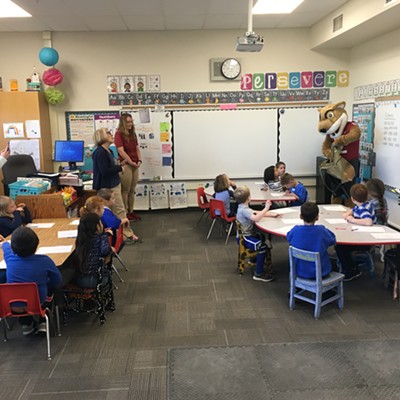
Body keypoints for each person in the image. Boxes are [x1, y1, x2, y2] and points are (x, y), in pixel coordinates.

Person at [3, 226, 62, 335]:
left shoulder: (10, 259)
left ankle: (26, 324)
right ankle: (42, 321)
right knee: (49, 289)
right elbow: (57, 280)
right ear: (36, 244)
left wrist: (5, 242)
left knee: (22, 291)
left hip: (12, 306)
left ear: (13, 247)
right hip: (38, 303)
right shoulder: (45, 261)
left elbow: (6, 248)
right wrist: (46, 282)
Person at [92, 128, 136, 242]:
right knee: (120, 210)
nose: (111, 135)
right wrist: (119, 168)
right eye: (108, 133)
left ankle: (121, 235)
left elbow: (109, 168)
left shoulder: (109, 151)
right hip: (108, 187)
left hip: (113, 184)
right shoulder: (100, 152)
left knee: (115, 211)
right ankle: (128, 235)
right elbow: (105, 171)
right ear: (101, 136)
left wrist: (119, 165)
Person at [234, 186, 280, 282]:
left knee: (262, 238)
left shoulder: (242, 207)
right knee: (262, 246)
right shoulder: (244, 210)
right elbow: (256, 218)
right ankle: (258, 273)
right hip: (245, 238)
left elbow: (255, 213)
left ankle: (254, 259)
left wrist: (270, 214)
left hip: (247, 235)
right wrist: (266, 207)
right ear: (248, 198)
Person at [336, 183, 376, 281]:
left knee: (340, 247)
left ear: (352, 199)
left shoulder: (363, 209)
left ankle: (351, 270)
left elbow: (368, 221)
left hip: (364, 241)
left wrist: (352, 220)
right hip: (361, 236)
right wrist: (347, 214)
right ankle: (350, 264)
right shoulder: (366, 204)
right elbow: (353, 210)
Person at [287, 202, 336, 279]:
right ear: (317, 217)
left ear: (300, 216)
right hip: (320, 272)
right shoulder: (321, 231)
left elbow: (288, 237)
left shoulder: (295, 230)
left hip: (299, 271)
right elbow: (333, 240)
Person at [114, 114, 143, 222]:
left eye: (131, 121)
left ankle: (131, 211)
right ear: (123, 123)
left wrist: (139, 160)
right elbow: (121, 151)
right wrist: (131, 162)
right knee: (125, 191)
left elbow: (137, 148)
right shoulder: (118, 134)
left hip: (135, 164)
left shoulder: (132, 134)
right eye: (128, 122)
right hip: (126, 165)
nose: (130, 124)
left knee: (132, 190)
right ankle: (125, 213)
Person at [74, 213, 113, 289]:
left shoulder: (81, 240)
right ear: (98, 227)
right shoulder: (101, 239)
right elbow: (105, 251)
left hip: (80, 280)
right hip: (98, 280)